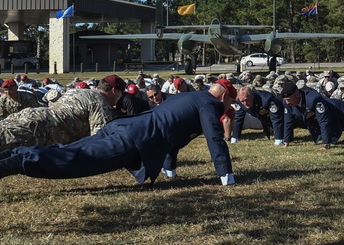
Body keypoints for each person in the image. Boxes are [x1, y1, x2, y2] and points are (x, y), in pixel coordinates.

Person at [0, 79, 239, 186]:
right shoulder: (210, 104)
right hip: (135, 138)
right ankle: (16, 163)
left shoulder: (188, 96)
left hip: (125, 127)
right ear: (224, 97)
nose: (228, 108)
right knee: (78, 160)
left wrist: (170, 170)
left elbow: (172, 134)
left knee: (73, 150)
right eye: (230, 103)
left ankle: (16, 154)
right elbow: (214, 138)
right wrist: (226, 176)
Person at [0, 75, 122, 151]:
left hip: (33, 115)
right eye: (121, 94)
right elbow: (101, 138)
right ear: (114, 90)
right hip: (43, 129)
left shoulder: (74, 91)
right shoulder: (99, 101)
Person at [281, 82, 344, 149]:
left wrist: (326, 144)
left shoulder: (313, 99)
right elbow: (288, 121)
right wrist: (286, 142)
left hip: (338, 111)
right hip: (322, 118)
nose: (287, 102)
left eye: (288, 99)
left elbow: (324, 121)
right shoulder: (287, 103)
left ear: (297, 95)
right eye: (286, 100)